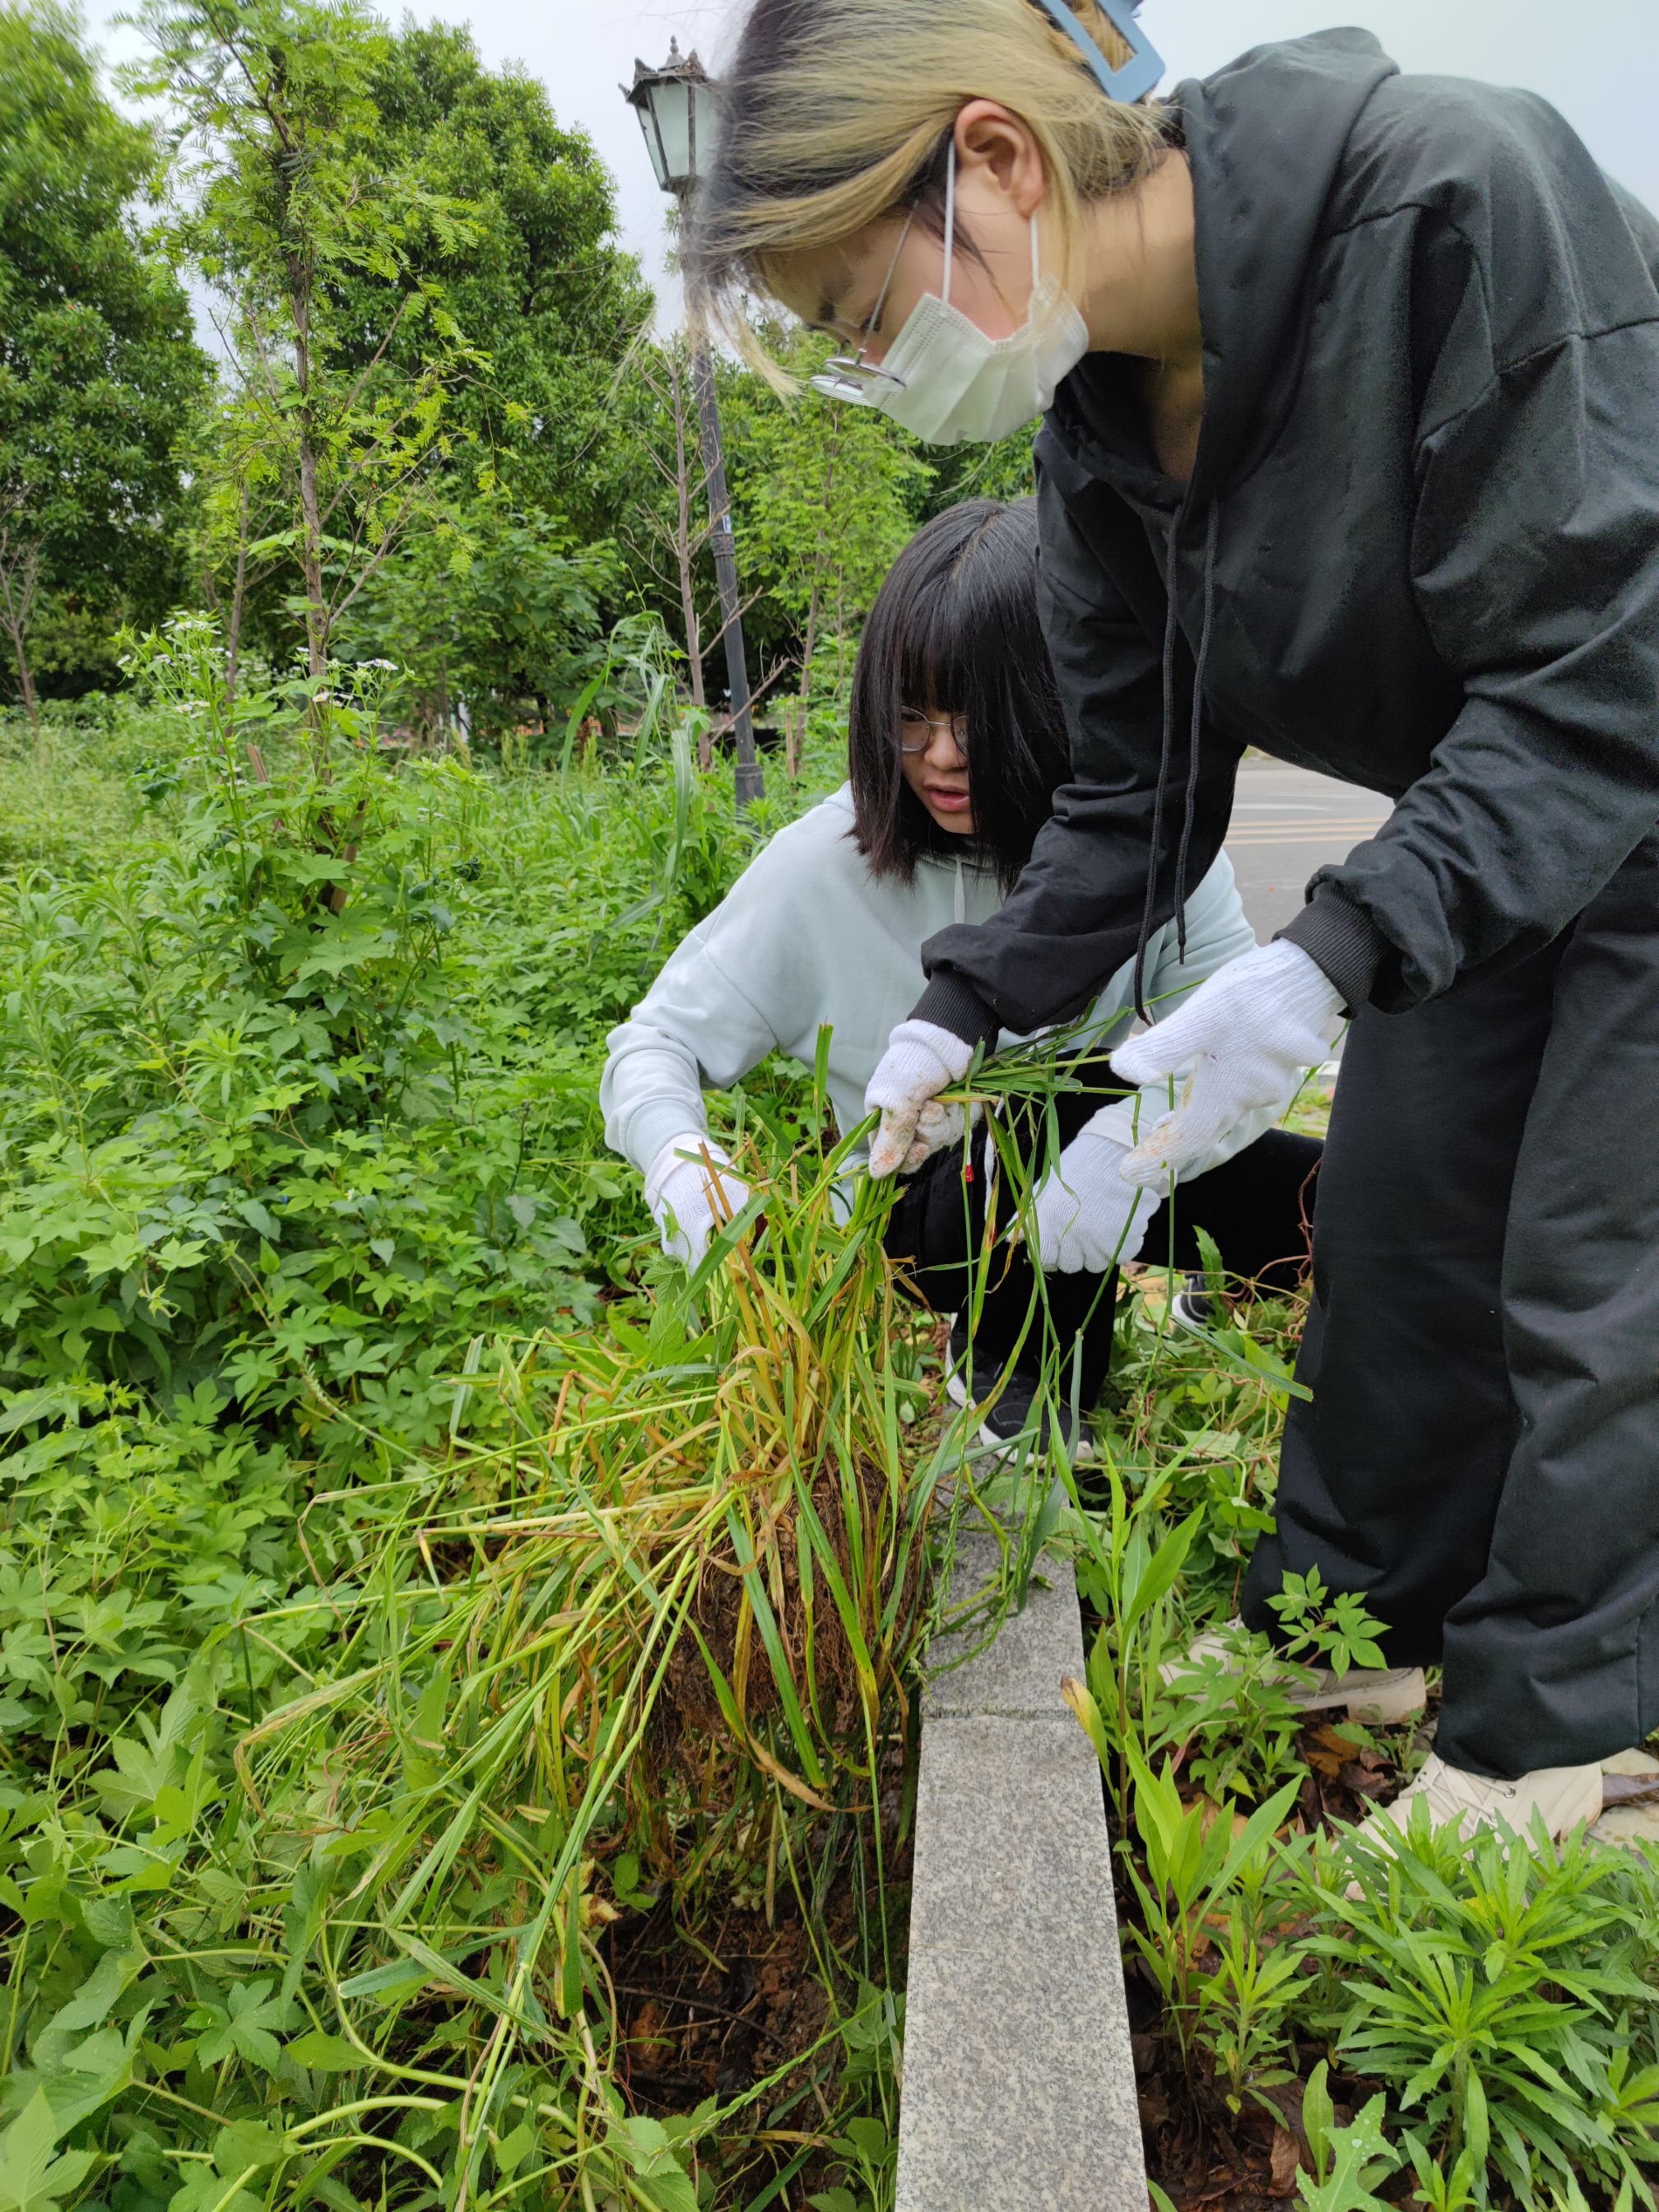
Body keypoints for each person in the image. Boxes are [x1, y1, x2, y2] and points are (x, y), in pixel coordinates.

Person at [686, 2, 1659, 1847]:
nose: (880, 373)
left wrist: (1321, 957)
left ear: (992, 158)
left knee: (1597, 1268)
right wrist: (956, 1019)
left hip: (1635, 735)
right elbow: (1132, 801)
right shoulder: (1100, 437)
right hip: (1490, 793)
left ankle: (1559, 1744)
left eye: (864, 318)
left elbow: (1604, 662)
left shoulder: (1455, 200)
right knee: (1399, 1215)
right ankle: (1354, 1624)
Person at [602, 498, 1321, 1457]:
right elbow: (652, 1045)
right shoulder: (825, 863)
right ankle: (1017, 1393)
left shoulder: (1156, 854)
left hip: (1112, 1171)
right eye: (912, 719)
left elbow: (1226, 1042)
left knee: (1343, 1198)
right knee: (1043, 1105)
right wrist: (680, 1163)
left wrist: (1151, 1143)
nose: (940, 756)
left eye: (978, 719)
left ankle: (1209, 1291)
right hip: (923, 1218)